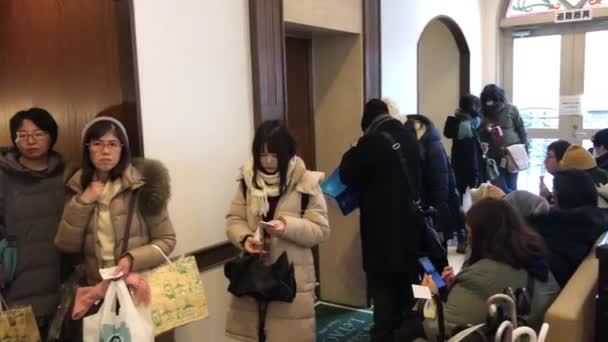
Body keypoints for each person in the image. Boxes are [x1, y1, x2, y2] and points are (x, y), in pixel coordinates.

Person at [224, 120, 329, 342]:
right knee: (255, 334)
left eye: (274, 154)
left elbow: (320, 229)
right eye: (262, 155)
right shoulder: (247, 180)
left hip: (292, 274)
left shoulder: (306, 183)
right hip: (254, 270)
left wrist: (287, 226)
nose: (269, 161)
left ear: (287, 153)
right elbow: (234, 219)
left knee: (287, 336)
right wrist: (245, 238)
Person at [55, 116, 176, 286]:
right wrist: (83, 202)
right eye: (97, 143)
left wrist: (132, 259)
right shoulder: (76, 186)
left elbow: (166, 239)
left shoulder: (142, 185)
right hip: (98, 287)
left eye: (113, 144)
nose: (105, 151)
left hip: (138, 285)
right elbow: (66, 245)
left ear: (122, 149)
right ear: (87, 148)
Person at [340, 99, 422, 342]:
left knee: (384, 297)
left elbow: (346, 173)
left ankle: (385, 335)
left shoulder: (371, 142)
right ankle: (407, 332)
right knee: (407, 292)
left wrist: (354, 147)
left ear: (367, 123)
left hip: (381, 235)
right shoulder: (409, 136)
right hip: (411, 230)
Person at [421, 198, 559, 341]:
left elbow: (438, 330)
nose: (468, 241)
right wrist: (455, 287)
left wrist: (427, 297)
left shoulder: (476, 279)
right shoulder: (537, 262)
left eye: (469, 233)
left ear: (483, 237)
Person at [0, 108, 68, 339]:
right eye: (22, 134)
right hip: (16, 284)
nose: (30, 141)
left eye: (38, 133)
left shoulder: (69, 175)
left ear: (52, 136)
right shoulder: (3, 176)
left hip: (62, 281)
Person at [529, 169, 608, 286]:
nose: (552, 203)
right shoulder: (599, 222)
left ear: (563, 198)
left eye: (554, 196)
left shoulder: (553, 233)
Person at [405, 114, 466, 253]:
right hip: (431, 209)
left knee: (435, 256)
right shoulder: (429, 142)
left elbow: (440, 185)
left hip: (433, 211)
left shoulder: (430, 145)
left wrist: (440, 223)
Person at [479, 84, 528, 194]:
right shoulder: (482, 112)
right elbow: (478, 134)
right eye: (488, 102)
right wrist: (486, 130)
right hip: (493, 155)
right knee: (498, 187)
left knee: (512, 184)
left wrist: (525, 149)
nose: (492, 106)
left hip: (513, 154)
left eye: (494, 102)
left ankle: (513, 206)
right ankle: (509, 201)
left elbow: (521, 129)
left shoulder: (512, 109)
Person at [444, 94, 485, 196]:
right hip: (464, 166)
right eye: (477, 106)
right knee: (463, 198)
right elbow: (468, 149)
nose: (479, 109)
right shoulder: (457, 124)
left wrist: (481, 146)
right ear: (472, 107)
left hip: (471, 165)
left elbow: (473, 146)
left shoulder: (474, 123)